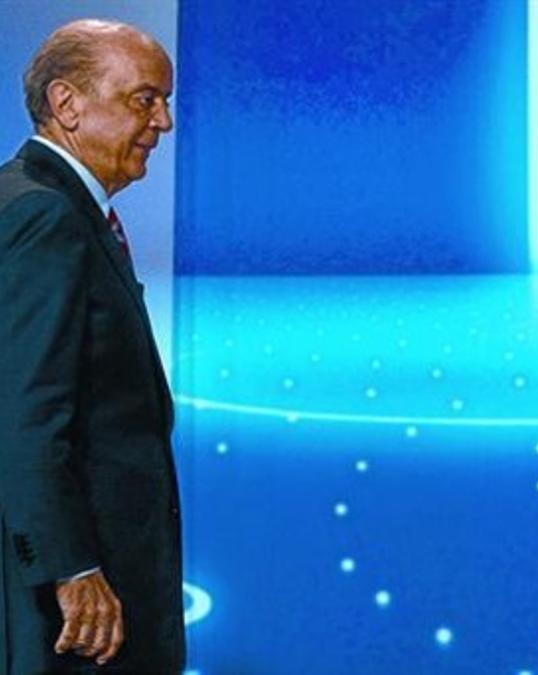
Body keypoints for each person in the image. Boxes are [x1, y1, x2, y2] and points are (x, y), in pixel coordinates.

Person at [0, 19, 184, 672]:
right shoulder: (43, 215)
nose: (162, 122)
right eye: (143, 98)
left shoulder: (59, 206)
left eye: (164, 101)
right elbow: (25, 411)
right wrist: (72, 566)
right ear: (66, 103)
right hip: (80, 608)